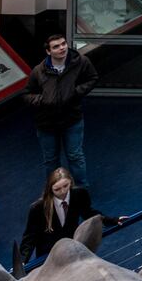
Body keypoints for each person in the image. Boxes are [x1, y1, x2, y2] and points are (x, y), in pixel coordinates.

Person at [24, 32, 97, 188]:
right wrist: (42, 101)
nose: (62, 48)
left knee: (75, 156)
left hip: (72, 119)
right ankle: (55, 190)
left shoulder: (81, 62)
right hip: (46, 123)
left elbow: (92, 78)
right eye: (56, 46)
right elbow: (27, 93)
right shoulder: (39, 70)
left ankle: (81, 189)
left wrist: (76, 92)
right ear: (48, 51)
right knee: (51, 159)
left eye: (63, 44)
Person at [17, 167, 125, 273]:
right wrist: (22, 261)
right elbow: (30, 237)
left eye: (66, 186)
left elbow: (89, 213)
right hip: (50, 257)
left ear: (71, 182)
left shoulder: (79, 194)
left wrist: (113, 220)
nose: (63, 191)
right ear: (50, 188)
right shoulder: (38, 208)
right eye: (57, 189)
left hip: (72, 250)